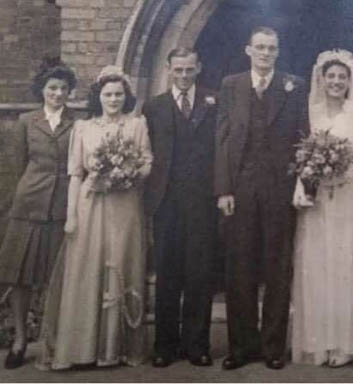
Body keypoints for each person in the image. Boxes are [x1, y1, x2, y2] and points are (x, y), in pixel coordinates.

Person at [37, 65, 152, 370]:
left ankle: (115, 348)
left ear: (125, 97)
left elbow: (147, 161)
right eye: (107, 94)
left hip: (125, 205)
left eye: (118, 94)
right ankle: (82, 347)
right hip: (90, 205)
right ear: (98, 97)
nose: (113, 99)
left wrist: (128, 175)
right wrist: (71, 216)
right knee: (88, 269)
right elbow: (75, 174)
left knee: (121, 263)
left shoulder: (137, 125)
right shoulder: (83, 129)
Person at [215, 26, 308, 370]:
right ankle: (241, 347)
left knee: (277, 268)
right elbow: (222, 139)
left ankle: (272, 347)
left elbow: (303, 137)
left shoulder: (293, 86)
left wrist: (302, 185)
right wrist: (223, 189)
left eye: (271, 48)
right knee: (239, 268)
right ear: (248, 50)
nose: (266, 53)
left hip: (279, 189)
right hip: (239, 188)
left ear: (278, 52)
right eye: (260, 47)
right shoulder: (231, 85)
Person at [291, 49, 353, 367]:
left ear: (350, 81)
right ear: (321, 79)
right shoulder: (311, 110)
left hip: (350, 195)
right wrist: (307, 183)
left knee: (348, 264)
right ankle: (321, 341)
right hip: (318, 199)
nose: (336, 82)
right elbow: (302, 155)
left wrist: (338, 175)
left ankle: (347, 343)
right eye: (330, 76)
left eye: (341, 77)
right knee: (319, 265)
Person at [142, 47, 219, 368]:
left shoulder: (214, 102)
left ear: (198, 68)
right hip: (166, 203)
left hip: (202, 202)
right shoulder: (154, 107)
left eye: (189, 70)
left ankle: (197, 344)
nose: (184, 76)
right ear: (169, 70)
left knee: (200, 274)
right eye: (178, 70)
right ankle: (165, 346)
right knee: (168, 274)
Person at [0, 58, 77, 369]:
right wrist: (24, 197)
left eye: (63, 88)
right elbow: (17, 167)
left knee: (54, 278)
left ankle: (52, 340)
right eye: (52, 88)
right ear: (42, 91)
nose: (57, 94)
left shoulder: (77, 123)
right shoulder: (26, 122)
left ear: (69, 92)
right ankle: (19, 339)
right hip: (28, 208)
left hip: (61, 209)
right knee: (20, 277)